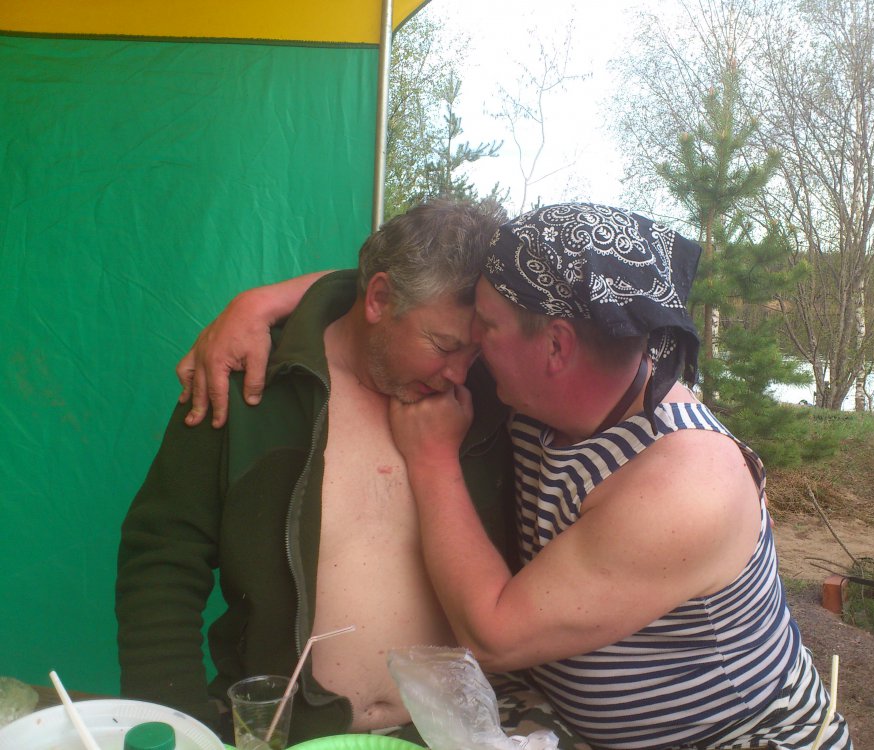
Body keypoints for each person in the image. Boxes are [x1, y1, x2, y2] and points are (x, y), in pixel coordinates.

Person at [178, 203, 852, 749]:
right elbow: (407, 288)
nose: (469, 352)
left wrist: (433, 459)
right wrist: (262, 303)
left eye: (487, 329)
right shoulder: (546, 393)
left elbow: (494, 635)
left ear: (555, 344)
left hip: (735, 740)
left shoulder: (686, 482)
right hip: (570, 729)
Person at [116, 199, 587, 747]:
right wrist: (173, 723)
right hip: (284, 730)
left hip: (464, 731)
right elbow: (163, 559)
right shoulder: (250, 384)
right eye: (444, 345)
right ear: (379, 299)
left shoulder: (498, 400)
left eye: (476, 353)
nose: (459, 374)